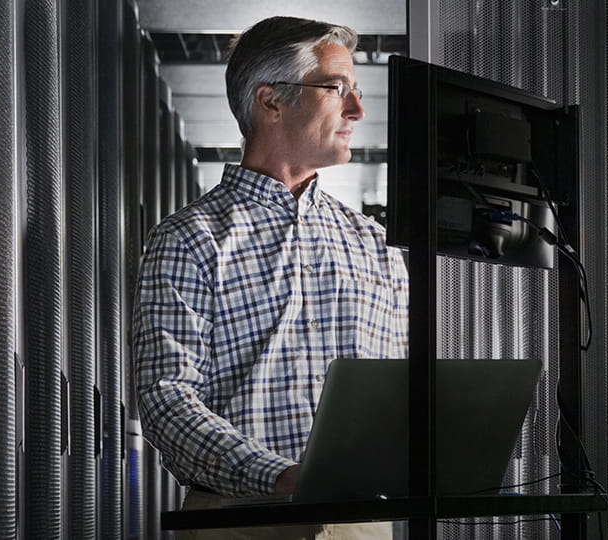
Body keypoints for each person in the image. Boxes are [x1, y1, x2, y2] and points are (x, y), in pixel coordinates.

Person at [132, 15, 409, 540]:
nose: (358, 110)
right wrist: (283, 478)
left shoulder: (375, 244)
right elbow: (168, 400)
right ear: (271, 101)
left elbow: (394, 395)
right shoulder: (190, 239)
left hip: (362, 524)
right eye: (337, 88)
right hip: (240, 519)